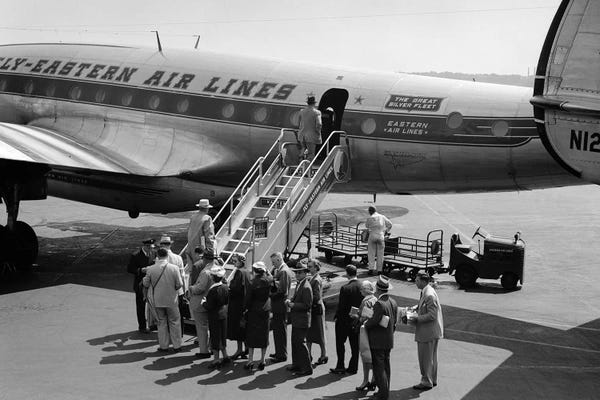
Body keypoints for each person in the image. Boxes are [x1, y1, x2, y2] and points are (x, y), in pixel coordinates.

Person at [143, 247, 183, 352]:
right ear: (167, 255)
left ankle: (164, 346)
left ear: (157, 256)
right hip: (171, 300)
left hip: (158, 300)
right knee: (175, 322)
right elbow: (179, 284)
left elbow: (146, 284)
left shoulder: (151, 269)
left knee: (161, 323)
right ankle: (177, 345)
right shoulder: (174, 268)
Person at [364, 275, 397, 400]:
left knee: (379, 368)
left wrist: (365, 324)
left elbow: (373, 321)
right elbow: (394, 322)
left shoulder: (379, 304)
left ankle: (383, 394)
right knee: (386, 367)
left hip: (378, 341)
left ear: (378, 289)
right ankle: (385, 391)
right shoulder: (392, 301)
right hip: (388, 340)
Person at [410, 271, 444, 391]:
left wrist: (417, 318)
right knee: (431, 358)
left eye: (417, 280)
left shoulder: (429, 294)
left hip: (428, 332)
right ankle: (432, 379)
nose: (415, 282)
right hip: (432, 331)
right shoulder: (426, 291)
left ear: (423, 281)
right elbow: (426, 307)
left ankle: (426, 381)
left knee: (425, 358)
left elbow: (432, 315)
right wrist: (416, 307)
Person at [330, 265, 363, 375]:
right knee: (355, 345)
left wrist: (337, 317)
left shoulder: (345, 288)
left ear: (347, 274)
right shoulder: (362, 286)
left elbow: (342, 306)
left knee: (340, 343)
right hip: (356, 320)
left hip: (344, 321)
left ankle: (340, 365)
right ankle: (353, 367)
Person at [243, 261, 273, 371]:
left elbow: (248, 298)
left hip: (254, 310)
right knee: (263, 334)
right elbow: (271, 277)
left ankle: (250, 360)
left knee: (252, 334)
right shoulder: (269, 279)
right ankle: (262, 359)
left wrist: (245, 308)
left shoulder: (252, 282)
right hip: (266, 308)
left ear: (255, 271)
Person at [187, 250, 216, 359]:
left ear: (205, 259)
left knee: (202, 328)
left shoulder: (205, 272)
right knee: (212, 327)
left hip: (201, 302)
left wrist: (191, 288)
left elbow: (200, 288)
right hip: (213, 302)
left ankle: (204, 351)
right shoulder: (219, 269)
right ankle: (213, 348)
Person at [286, 263, 313, 376]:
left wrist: (293, 305)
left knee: (301, 343)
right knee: (295, 343)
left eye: (299, 272)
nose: (297, 274)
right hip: (297, 319)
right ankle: (297, 364)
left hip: (302, 320)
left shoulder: (306, 287)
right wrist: (291, 300)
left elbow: (307, 305)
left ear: (305, 273)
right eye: (296, 272)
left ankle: (307, 368)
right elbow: (298, 298)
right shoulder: (300, 284)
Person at [159, 235, 187, 336]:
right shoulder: (178, 258)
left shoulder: (158, 259)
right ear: (170, 245)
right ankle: (179, 334)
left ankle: (166, 335)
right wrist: (183, 291)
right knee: (177, 315)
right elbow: (182, 276)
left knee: (164, 315)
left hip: (162, 290)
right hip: (177, 290)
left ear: (161, 245)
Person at [127, 238, 156, 333]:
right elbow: (130, 269)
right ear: (145, 246)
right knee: (141, 306)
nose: (151, 249)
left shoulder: (154, 253)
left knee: (154, 305)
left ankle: (153, 324)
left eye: (152, 247)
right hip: (140, 284)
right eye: (149, 248)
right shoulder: (135, 255)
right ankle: (142, 326)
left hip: (151, 283)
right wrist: (140, 270)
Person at [203, 265, 230, 369]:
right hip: (223, 313)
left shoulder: (213, 290)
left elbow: (209, 306)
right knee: (223, 336)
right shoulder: (225, 287)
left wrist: (203, 303)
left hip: (214, 315)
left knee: (215, 336)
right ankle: (225, 355)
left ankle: (216, 359)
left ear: (213, 277)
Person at [269, 252, 293, 362]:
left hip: (280, 305)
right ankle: (279, 352)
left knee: (280, 330)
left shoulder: (283, 272)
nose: (273, 264)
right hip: (279, 305)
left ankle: (281, 354)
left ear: (279, 260)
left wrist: (270, 295)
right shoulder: (282, 270)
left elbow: (283, 291)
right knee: (278, 330)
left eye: (274, 262)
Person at [354, 280, 378, 392]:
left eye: (362, 289)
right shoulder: (375, 299)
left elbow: (365, 317)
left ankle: (365, 380)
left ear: (367, 289)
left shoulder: (366, 301)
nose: (361, 291)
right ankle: (373, 379)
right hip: (374, 332)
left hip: (365, 331)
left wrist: (355, 316)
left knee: (365, 355)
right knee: (373, 356)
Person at [227, 254, 251, 360]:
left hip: (237, 304)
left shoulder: (239, 272)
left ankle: (239, 349)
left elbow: (235, 289)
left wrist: (229, 286)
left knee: (238, 329)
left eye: (235, 261)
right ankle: (246, 348)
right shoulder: (247, 272)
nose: (234, 263)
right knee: (244, 328)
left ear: (241, 262)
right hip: (245, 303)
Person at [306, 259, 328, 366]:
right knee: (310, 334)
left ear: (315, 268)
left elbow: (316, 296)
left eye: (310, 267)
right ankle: (308, 354)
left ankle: (323, 354)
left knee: (319, 334)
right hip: (315, 308)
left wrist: (306, 301)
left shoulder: (316, 280)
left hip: (316, 309)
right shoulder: (313, 278)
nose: (308, 268)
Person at [186, 199, 215, 268]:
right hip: (201, 249)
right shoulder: (207, 218)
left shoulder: (193, 217)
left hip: (191, 247)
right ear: (207, 209)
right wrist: (211, 251)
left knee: (193, 270)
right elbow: (209, 235)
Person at [365, 206, 393, 275]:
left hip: (372, 236)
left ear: (370, 211)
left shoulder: (370, 218)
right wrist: (386, 231)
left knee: (371, 253)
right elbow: (390, 224)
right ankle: (379, 270)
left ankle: (371, 269)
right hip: (380, 236)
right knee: (380, 254)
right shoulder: (382, 217)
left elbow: (367, 226)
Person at [297, 96, 322, 162]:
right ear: (314, 103)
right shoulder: (317, 112)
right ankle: (307, 168)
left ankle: (300, 159)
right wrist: (318, 132)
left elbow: (298, 123)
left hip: (301, 135)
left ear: (307, 103)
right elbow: (319, 124)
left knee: (303, 148)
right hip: (311, 136)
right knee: (311, 154)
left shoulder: (301, 111)